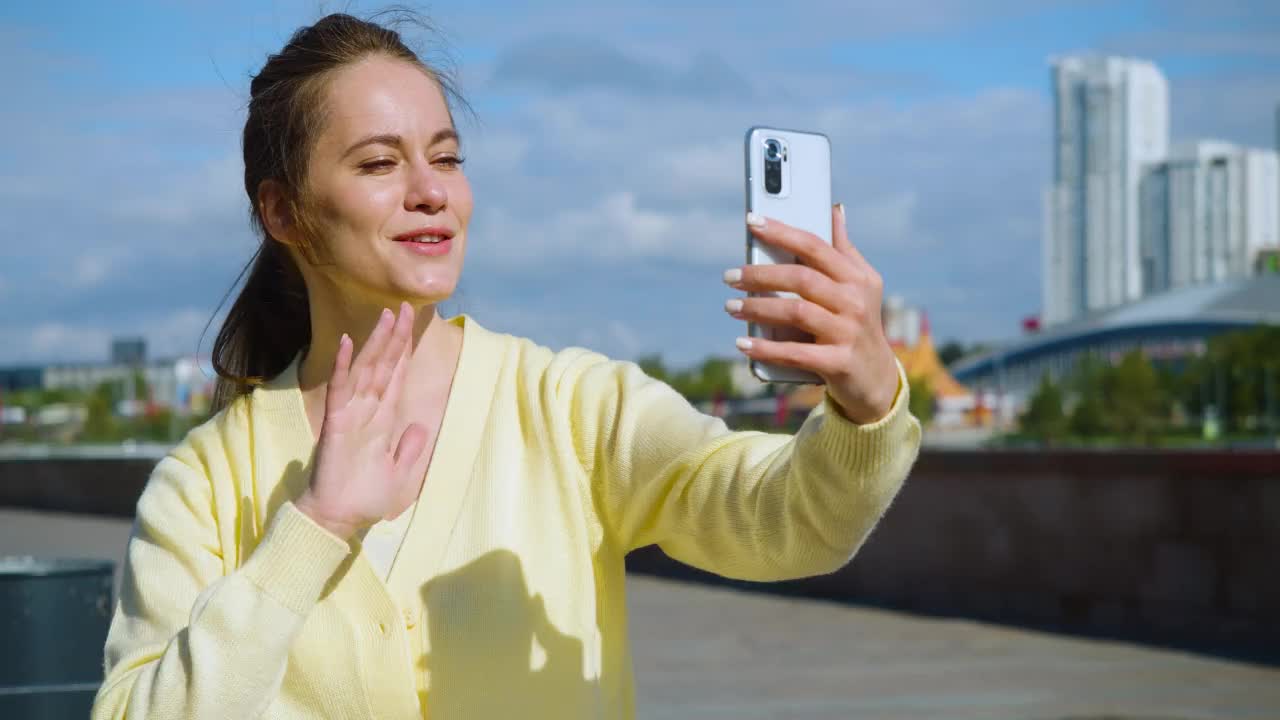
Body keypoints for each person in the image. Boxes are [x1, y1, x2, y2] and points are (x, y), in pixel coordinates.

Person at [91, 11, 922, 720]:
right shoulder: (206, 482)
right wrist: (313, 530)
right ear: (283, 211)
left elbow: (788, 522)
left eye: (446, 157)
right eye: (380, 164)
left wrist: (867, 401)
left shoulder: (568, 407)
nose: (431, 191)